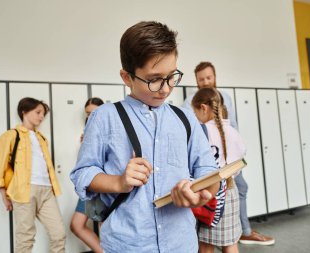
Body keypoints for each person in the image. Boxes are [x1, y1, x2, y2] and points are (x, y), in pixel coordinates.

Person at [70, 21, 220, 253]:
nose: (166, 88)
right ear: (127, 77)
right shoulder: (104, 117)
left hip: (181, 243)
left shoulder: (186, 118)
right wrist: (119, 182)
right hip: (127, 244)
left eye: (172, 76)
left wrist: (201, 195)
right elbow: (82, 173)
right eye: (154, 79)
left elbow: (209, 172)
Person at [183, 61, 275, 245]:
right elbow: (190, 134)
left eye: (209, 77)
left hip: (228, 164)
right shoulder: (189, 102)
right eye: (201, 79)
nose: (206, 82)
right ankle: (235, 233)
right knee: (213, 210)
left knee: (238, 190)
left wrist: (233, 160)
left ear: (214, 76)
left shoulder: (225, 97)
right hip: (210, 170)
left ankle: (243, 231)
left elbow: (233, 126)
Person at [0, 97, 66, 253]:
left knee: (59, 234)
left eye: (43, 114)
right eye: (38, 112)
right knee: (25, 237)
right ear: (24, 111)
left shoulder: (42, 138)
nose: (41, 117)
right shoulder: (11, 135)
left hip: (46, 191)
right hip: (24, 191)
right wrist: (4, 196)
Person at [192, 87, 245, 253]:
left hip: (212, 195)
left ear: (203, 108)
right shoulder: (233, 132)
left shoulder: (202, 132)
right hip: (231, 191)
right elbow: (241, 158)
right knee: (230, 242)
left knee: (206, 244)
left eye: (195, 113)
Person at [70, 97, 104, 253]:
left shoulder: (108, 128)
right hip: (90, 185)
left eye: (93, 112)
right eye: (87, 113)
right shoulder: (88, 131)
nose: (90, 116)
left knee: (106, 229)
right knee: (76, 225)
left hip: (105, 185)